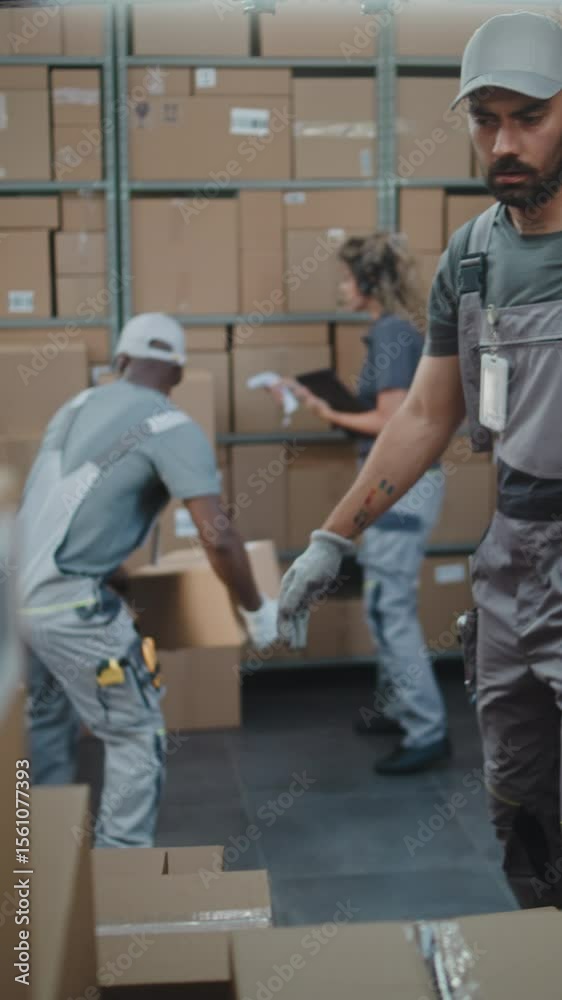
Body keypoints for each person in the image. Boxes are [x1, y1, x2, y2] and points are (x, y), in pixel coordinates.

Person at [278, 9, 562, 910]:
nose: (503, 143)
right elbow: (427, 416)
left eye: (529, 117)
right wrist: (331, 540)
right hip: (515, 556)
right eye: (485, 120)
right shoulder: (471, 259)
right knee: (520, 795)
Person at [19, 313, 279, 848]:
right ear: (178, 372)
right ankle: (121, 875)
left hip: (14, 601)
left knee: (43, 727)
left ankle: (43, 865)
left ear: (120, 361)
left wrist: (111, 572)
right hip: (68, 611)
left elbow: (62, 513)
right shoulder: (170, 426)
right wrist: (256, 610)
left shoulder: (74, 408)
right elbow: (219, 538)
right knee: (135, 732)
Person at [284, 234, 449, 775]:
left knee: (388, 606)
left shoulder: (393, 333)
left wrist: (326, 413)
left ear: (368, 282)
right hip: (395, 489)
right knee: (387, 603)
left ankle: (427, 731)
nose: (341, 286)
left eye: (346, 277)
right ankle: (401, 707)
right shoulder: (393, 330)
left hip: (399, 490)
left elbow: (392, 422)